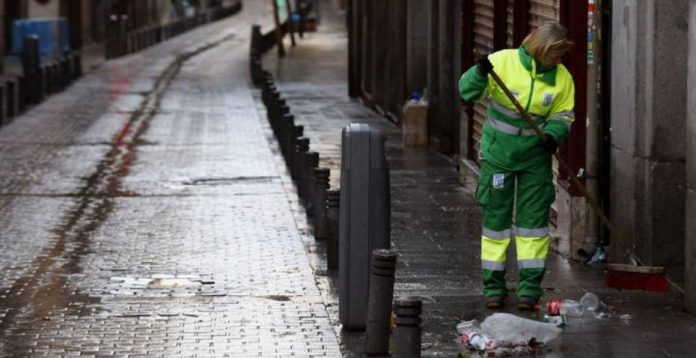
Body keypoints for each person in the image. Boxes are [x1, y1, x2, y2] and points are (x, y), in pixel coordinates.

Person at [458, 22, 575, 310]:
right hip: (499, 156)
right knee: (496, 223)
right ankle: (493, 288)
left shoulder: (562, 78)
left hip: (535, 158)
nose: (558, 61)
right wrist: (478, 73)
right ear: (541, 49)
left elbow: (564, 115)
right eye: (555, 55)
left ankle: (529, 290)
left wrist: (554, 135)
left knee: (533, 225)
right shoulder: (502, 62)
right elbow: (467, 92)